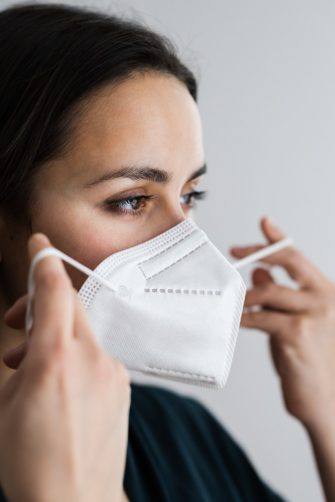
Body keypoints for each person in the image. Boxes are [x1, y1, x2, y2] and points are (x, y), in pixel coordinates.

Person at [0, 2, 333, 501]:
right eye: (131, 199)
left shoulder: (181, 434)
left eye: (189, 196)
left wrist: (329, 407)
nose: (186, 241)